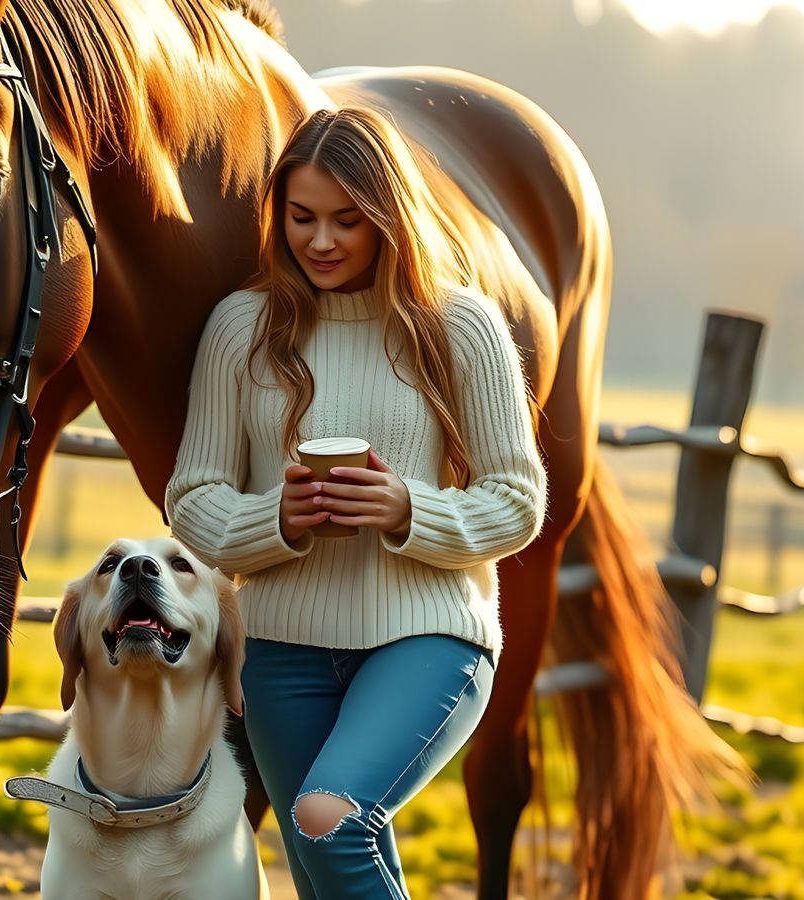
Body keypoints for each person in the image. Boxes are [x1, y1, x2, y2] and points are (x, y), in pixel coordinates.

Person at [163, 106, 548, 899]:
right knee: (331, 868)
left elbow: (518, 501)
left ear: (391, 218)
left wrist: (410, 510)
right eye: (301, 217)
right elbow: (193, 501)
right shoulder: (241, 328)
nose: (321, 241)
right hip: (281, 646)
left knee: (327, 820)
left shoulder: (461, 326)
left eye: (348, 220)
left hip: (429, 635)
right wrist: (277, 519)